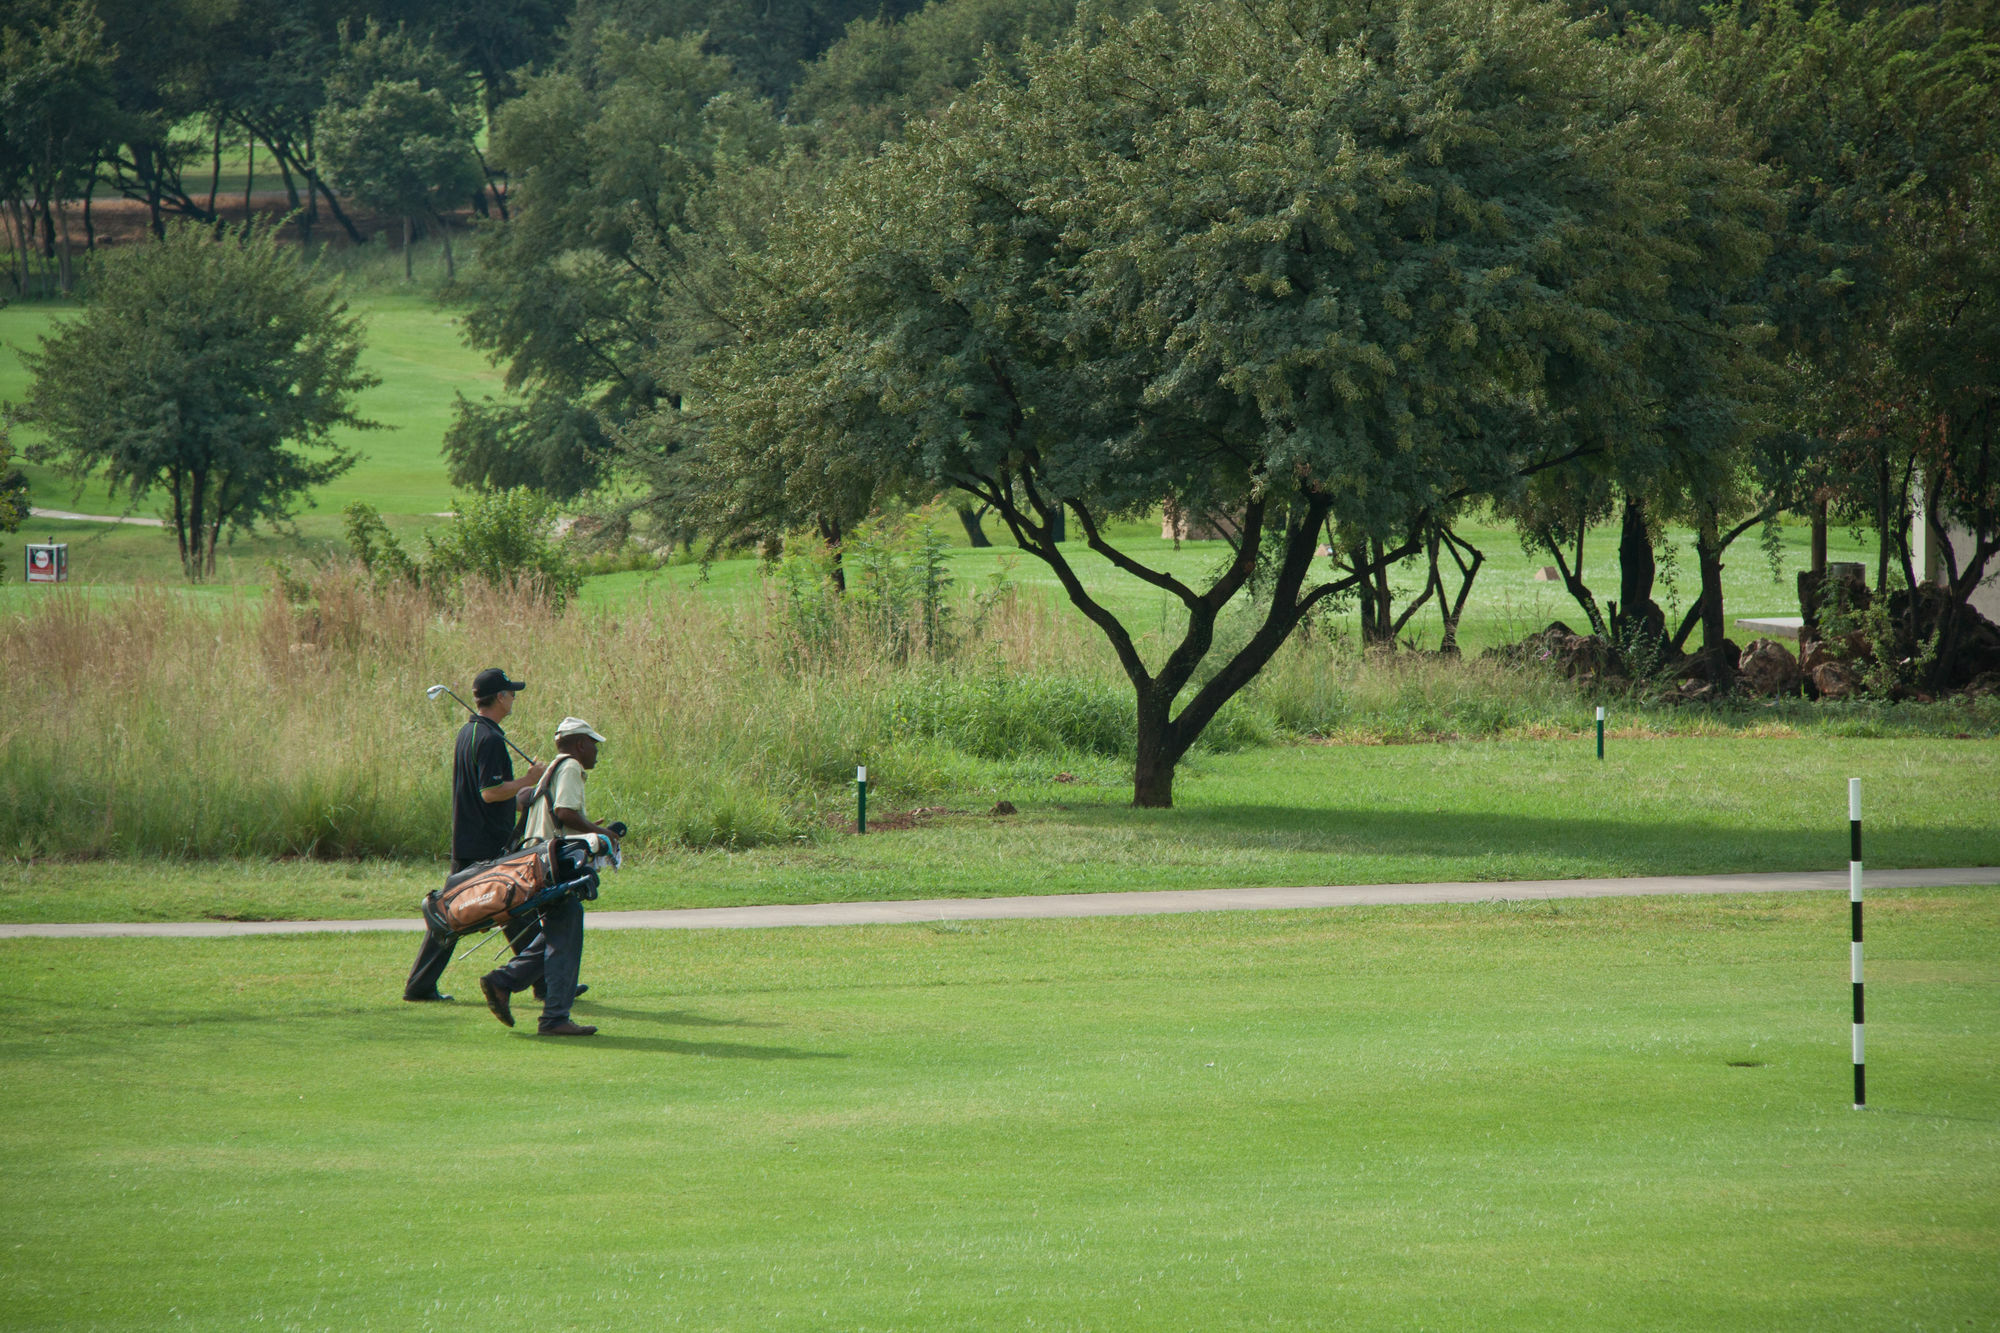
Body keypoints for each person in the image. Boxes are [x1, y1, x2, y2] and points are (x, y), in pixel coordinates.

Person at [402, 667, 547, 1003]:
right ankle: (547, 981)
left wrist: (520, 797)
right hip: (487, 844)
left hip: (468, 838)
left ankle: (420, 985)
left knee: (463, 913)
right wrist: (529, 779)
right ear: (500, 697)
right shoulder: (491, 739)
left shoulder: (467, 733)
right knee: (512, 907)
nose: (513, 697)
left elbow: (483, 793)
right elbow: (490, 791)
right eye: (511, 692)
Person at [478, 717, 617, 1037]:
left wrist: (583, 828)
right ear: (580, 744)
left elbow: (559, 816)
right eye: (593, 744)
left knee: (560, 930)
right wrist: (602, 832)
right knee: (566, 927)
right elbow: (566, 813)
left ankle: (505, 981)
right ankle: (552, 1016)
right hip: (552, 865)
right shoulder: (569, 767)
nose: (596, 751)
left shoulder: (553, 768)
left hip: (538, 862)